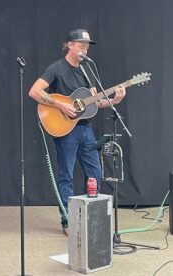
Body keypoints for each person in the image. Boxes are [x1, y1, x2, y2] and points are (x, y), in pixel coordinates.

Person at [28, 28, 126, 236]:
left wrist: (112, 101)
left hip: (85, 129)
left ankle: (93, 217)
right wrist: (61, 105)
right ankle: (67, 220)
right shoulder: (56, 68)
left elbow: (90, 105)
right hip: (65, 130)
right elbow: (34, 91)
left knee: (94, 172)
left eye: (87, 47)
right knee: (66, 175)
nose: (85, 51)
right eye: (81, 46)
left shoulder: (86, 71)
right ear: (70, 45)